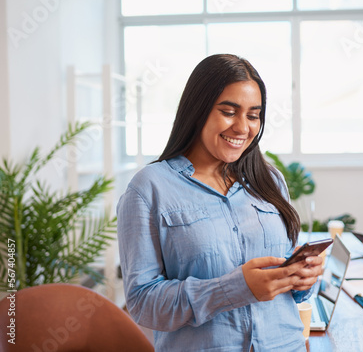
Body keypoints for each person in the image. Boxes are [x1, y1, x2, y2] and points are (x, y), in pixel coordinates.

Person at [116, 54, 323, 351]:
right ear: (197, 110)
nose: (242, 128)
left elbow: (287, 269)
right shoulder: (148, 189)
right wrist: (234, 289)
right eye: (229, 112)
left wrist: (303, 277)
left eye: (253, 115)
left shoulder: (269, 180)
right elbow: (141, 303)